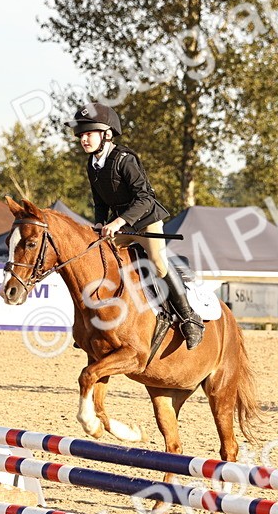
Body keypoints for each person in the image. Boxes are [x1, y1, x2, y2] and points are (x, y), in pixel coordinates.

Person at [72, 102, 205, 350]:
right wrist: (100, 224)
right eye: (81, 135)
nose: (83, 139)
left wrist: (119, 221)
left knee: (158, 263)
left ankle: (190, 318)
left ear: (106, 134)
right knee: (95, 256)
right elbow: (99, 201)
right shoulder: (92, 164)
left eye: (89, 133)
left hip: (145, 220)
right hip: (118, 226)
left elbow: (145, 198)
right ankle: (92, 321)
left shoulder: (125, 160)